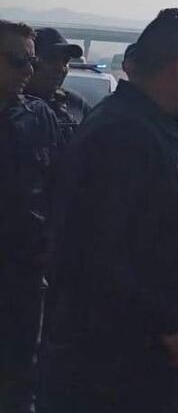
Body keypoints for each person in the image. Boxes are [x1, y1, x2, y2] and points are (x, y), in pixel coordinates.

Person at [42, 8, 178, 413]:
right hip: (115, 371)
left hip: (143, 362)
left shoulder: (154, 128)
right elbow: (89, 254)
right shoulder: (123, 135)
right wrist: (168, 321)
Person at [0, 21, 63, 413]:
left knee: (18, 384)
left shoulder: (38, 118)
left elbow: (60, 190)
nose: (28, 69)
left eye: (32, 60)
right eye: (18, 60)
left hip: (22, 281)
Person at [25, 27, 90, 139]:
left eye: (65, 61)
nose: (60, 68)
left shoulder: (76, 103)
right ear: (30, 61)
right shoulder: (10, 107)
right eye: (51, 60)